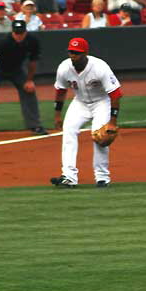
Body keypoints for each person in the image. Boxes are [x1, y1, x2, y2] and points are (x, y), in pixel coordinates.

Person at [51, 37, 123, 188]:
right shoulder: (64, 68)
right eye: (71, 52)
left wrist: (113, 121)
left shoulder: (99, 67)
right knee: (69, 131)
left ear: (85, 53)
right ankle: (69, 177)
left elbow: (115, 94)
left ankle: (102, 177)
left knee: (99, 136)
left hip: (101, 103)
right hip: (80, 103)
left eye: (76, 53)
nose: (72, 55)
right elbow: (60, 91)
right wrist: (57, 114)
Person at [0, 20, 48, 138]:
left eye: (21, 33)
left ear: (25, 32)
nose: (18, 36)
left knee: (29, 90)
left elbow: (33, 62)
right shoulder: (3, 43)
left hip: (16, 68)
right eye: (16, 33)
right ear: (12, 32)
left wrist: (29, 80)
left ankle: (35, 125)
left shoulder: (32, 41)